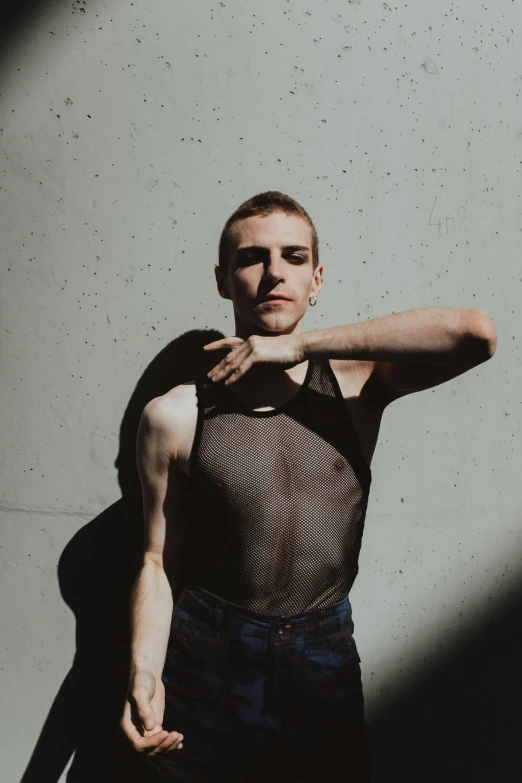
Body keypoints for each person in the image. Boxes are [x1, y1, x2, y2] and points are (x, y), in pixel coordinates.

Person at [120, 191, 497, 781]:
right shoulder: (175, 415)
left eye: (294, 257)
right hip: (210, 655)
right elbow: (155, 560)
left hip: (322, 655)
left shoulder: (356, 387)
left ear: (316, 279)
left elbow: (476, 335)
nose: (274, 272)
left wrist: (298, 345)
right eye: (252, 258)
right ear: (223, 280)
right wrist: (144, 672)